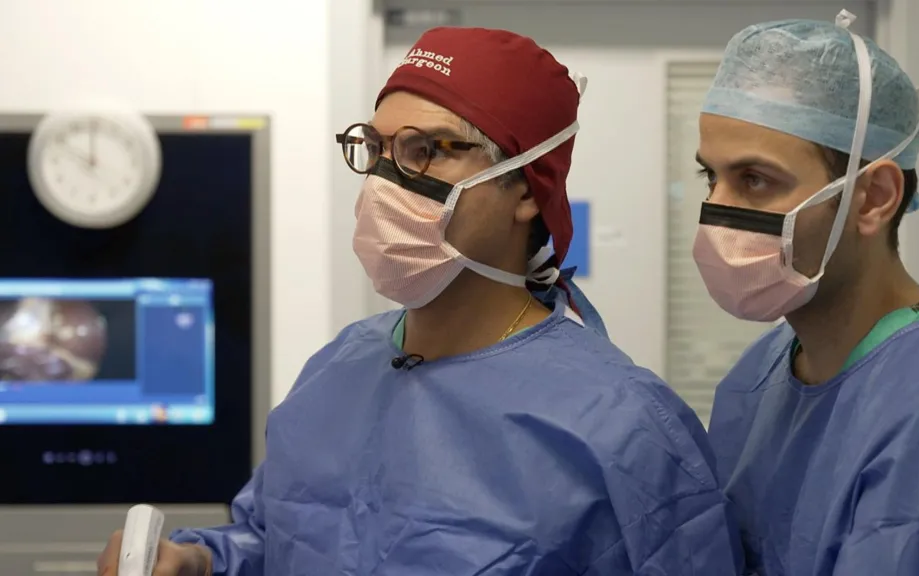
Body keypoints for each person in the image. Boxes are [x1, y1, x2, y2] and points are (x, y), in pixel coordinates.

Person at [97, 27, 742, 576]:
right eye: (376, 149)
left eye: (425, 151)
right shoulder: (338, 371)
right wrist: (200, 562)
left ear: (525, 190)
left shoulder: (624, 424)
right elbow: (280, 539)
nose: (385, 179)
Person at [691, 9, 919, 575]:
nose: (718, 213)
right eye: (711, 177)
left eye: (755, 180)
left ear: (872, 198)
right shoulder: (764, 372)